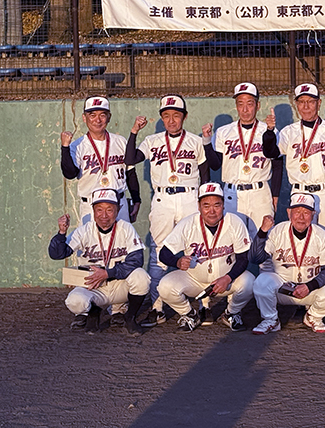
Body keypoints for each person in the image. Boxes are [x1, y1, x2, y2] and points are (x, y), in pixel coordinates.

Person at [125, 94, 211, 327]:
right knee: (159, 251)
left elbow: (205, 175)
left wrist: (204, 203)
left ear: (184, 116)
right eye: (166, 116)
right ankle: (157, 308)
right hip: (162, 198)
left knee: (197, 248)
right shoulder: (152, 141)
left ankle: (204, 305)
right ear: (161, 118)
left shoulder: (195, 141)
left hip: (190, 197)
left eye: (176, 115)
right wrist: (134, 131)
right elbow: (130, 158)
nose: (171, 120)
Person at [48, 188, 149, 336]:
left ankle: (130, 318)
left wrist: (108, 273)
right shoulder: (84, 231)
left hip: (118, 284)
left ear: (118, 210)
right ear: (93, 210)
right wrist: (61, 233)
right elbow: (57, 254)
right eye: (99, 210)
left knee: (141, 277)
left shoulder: (125, 228)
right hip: (93, 286)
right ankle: (93, 311)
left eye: (109, 210)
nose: (104, 215)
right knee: (75, 301)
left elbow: (136, 260)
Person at [157, 183, 255, 332]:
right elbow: (163, 253)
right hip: (194, 280)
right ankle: (189, 315)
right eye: (206, 206)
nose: (212, 211)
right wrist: (177, 261)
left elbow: (244, 258)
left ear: (223, 205)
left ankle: (231, 313)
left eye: (217, 205)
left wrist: (228, 278)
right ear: (199, 206)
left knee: (250, 282)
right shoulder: (188, 223)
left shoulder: (234, 222)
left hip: (226, 280)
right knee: (165, 286)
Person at [263, 83, 325, 238]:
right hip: (300, 192)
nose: (306, 106)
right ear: (296, 105)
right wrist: (270, 131)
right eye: (301, 102)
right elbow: (271, 153)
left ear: (319, 103)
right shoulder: (289, 132)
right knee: (301, 242)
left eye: (310, 101)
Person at [250, 193, 325, 334]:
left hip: (310, 288)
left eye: (306, 213)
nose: (301, 217)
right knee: (261, 282)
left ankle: (313, 317)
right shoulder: (277, 231)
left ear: (313, 214)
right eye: (297, 212)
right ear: (289, 213)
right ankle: (271, 320)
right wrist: (262, 232)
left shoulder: (321, 235)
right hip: (282, 286)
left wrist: (309, 286)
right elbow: (255, 258)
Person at [202, 82, 283, 230]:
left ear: (258, 106)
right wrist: (207, 141)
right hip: (232, 193)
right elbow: (215, 165)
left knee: (264, 238)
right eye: (240, 104)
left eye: (250, 104)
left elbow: (277, 165)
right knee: (233, 238)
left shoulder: (269, 130)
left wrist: (275, 196)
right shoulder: (223, 132)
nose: (245, 109)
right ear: (236, 106)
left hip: (260, 193)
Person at [60, 96, 141, 225]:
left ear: (109, 117)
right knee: (91, 239)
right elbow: (70, 174)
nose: (97, 120)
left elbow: (130, 173)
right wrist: (65, 147)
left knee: (122, 238)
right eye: (92, 115)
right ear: (84, 118)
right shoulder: (78, 145)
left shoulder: (120, 141)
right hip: (90, 206)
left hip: (119, 204)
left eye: (102, 115)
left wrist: (136, 199)